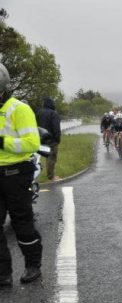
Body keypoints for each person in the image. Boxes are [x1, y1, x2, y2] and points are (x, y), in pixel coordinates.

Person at [0, 62, 43, 286]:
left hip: (16, 173)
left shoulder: (20, 109)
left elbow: (31, 142)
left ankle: (32, 264)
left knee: (21, 222)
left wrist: (3, 142)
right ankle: (3, 273)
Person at [35, 97, 61, 181]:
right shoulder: (53, 113)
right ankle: (51, 176)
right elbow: (56, 127)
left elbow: (34, 124)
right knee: (51, 158)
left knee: (36, 157)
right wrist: (57, 139)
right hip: (51, 140)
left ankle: (33, 176)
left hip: (39, 138)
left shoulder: (38, 112)